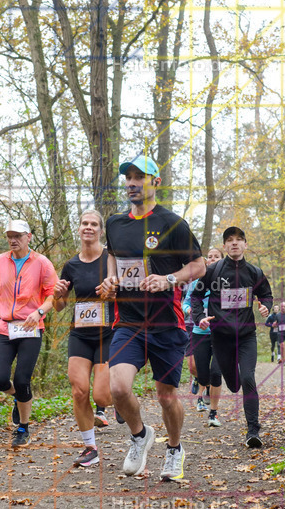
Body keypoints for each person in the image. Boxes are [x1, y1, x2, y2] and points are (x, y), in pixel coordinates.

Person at [99, 156, 205, 481]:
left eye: (139, 177)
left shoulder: (173, 223)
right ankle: (140, 435)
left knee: (166, 396)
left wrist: (169, 279)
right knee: (117, 389)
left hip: (166, 324)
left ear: (155, 182)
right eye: (128, 178)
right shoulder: (115, 224)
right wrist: (110, 281)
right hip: (128, 322)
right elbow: (113, 257)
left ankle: (174, 449)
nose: (132, 183)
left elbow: (198, 266)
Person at [193, 226, 273, 448]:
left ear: (246, 245)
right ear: (225, 245)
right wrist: (199, 317)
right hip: (221, 337)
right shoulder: (213, 271)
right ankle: (233, 379)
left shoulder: (254, 272)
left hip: (246, 336)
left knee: (248, 378)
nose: (234, 243)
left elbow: (266, 294)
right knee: (234, 383)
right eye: (229, 240)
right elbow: (197, 296)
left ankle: (253, 431)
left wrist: (266, 306)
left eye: (239, 240)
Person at [0, 219, 57, 447]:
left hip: (30, 328)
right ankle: (19, 397)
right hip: (5, 327)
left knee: (22, 379)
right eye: (9, 235)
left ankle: (23, 429)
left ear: (29, 236)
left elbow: (52, 295)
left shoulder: (42, 263)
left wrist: (38, 312)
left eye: (17, 235)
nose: (12, 240)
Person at [53, 210, 114, 467]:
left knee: (102, 396)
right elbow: (59, 306)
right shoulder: (71, 265)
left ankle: (120, 399)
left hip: (108, 334)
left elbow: (125, 293)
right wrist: (58, 294)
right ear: (78, 229)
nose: (88, 227)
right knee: (79, 391)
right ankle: (90, 447)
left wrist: (113, 292)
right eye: (84, 223)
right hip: (80, 333)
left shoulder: (111, 258)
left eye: (93, 224)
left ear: (100, 231)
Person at [185, 247, 224, 425]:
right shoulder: (196, 282)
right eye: (210, 257)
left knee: (216, 372)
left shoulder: (226, 281)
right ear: (206, 261)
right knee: (199, 370)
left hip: (221, 333)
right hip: (199, 332)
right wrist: (190, 310)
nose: (213, 259)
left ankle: (213, 413)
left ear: (222, 260)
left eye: (217, 257)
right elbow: (185, 302)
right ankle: (203, 383)